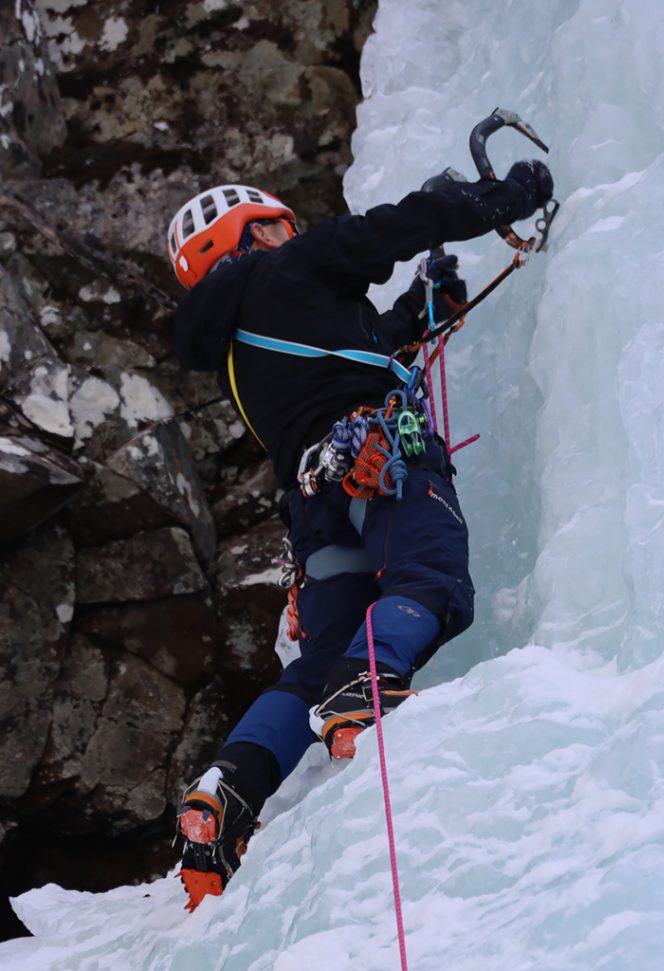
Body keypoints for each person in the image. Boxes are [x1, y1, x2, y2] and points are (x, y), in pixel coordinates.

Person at [166, 161, 554, 911]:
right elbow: (400, 223)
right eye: (279, 224)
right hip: (379, 456)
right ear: (252, 232)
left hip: (316, 501)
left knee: (315, 664)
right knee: (431, 579)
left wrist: (420, 309)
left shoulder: (233, 347)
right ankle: (364, 688)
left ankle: (225, 792)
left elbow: (352, 351)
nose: (295, 232)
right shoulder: (293, 265)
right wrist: (499, 199)